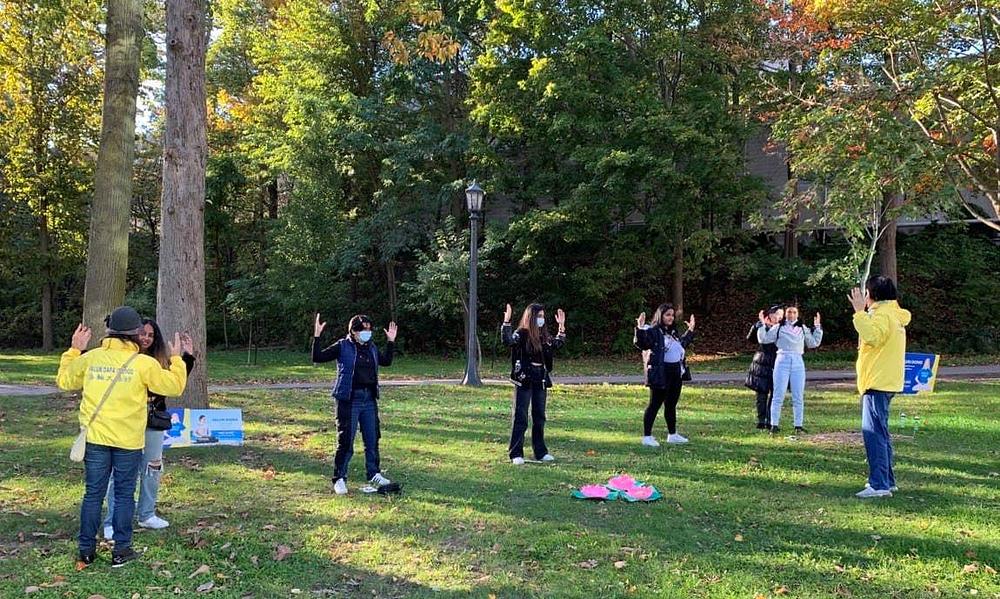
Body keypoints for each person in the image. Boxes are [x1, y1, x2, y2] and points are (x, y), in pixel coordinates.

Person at [56, 307, 188, 568]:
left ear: (109, 331)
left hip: (95, 439)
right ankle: (121, 550)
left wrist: (74, 350)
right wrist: (176, 359)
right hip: (128, 442)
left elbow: (64, 381)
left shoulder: (91, 358)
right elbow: (174, 386)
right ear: (137, 334)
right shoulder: (144, 364)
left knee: (93, 494)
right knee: (125, 495)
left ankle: (86, 551)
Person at [103, 319, 195, 539]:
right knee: (121, 472)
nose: (145, 338)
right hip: (126, 422)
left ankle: (146, 513)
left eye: (151, 335)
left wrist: (187, 358)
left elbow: (175, 382)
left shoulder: (158, 361)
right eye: (142, 333)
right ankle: (112, 520)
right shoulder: (122, 358)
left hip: (153, 422)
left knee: (153, 467)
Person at [312, 313, 397, 495]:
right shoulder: (343, 346)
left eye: (369, 329)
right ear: (353, 331)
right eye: (362, 329)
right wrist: (317, 336)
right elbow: (318, 357)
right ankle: (339, 478)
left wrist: (391, 342)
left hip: (369, 398)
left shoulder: (371, 348)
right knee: (346, 441)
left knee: (372, 439)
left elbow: (387, 362)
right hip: (349, 399)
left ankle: (374, 473)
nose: (366, 332)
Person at [849, 276, 911, 499]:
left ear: (872, 294)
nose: (864, 297)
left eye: (866, 293)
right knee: (881, 433)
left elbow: (873, 336)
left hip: (877, 381)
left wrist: (858, 313)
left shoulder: (882, 315)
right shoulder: (893, 314)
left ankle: (879, 485)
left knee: (873, 433)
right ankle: (887, 480)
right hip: (885, 381)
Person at [501, 303, 566, 464]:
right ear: (531, 317)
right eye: (538, 316)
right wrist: (507, 322)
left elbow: (556, 343)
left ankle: (540, 452)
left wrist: (562, 326)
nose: (541, 320)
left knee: (539, 416)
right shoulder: (521, 334)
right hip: (524, 378)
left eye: (543, 317)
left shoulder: (544, 337)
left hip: (541, 378)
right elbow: (508, 341)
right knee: (521, 416)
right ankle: (516, 453)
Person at [634, 303, 696, 446]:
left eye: (672, 315)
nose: (671, 318)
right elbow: (642, 343)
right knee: (654, 404)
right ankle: (647, 437)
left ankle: (672, 434)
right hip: (661, 373)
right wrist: (640, 328)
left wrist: (691, 331)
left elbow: (681, 345)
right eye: (667, 315)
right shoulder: (653, 331)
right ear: (660, 315)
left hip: (676, 373)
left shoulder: (672, 332)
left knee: (671, 405)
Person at [757, 304, 822, 435]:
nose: (791, 315)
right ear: (785, 314)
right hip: (782, 359)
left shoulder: (802, 328)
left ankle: (798, 425)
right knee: (778, 394)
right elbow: (764, 339)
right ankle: (774, 424)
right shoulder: (779, 327)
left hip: (797, 360)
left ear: (797, 314)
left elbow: (813, 342)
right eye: (789, 312)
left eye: (794, 312)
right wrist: (762, 325)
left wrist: (818, 328)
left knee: (798, 395)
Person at [745, 305, 784, 430]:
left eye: (782, 315)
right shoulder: (762, 325)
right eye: (778, 314)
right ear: (770, 315)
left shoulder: (783, 328)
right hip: (762, 362)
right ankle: (761, 420)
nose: (780, 317)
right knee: (761, 393)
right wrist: (758, 325)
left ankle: (770, 420)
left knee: (775, 393)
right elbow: (750, 339)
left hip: (778, 361)